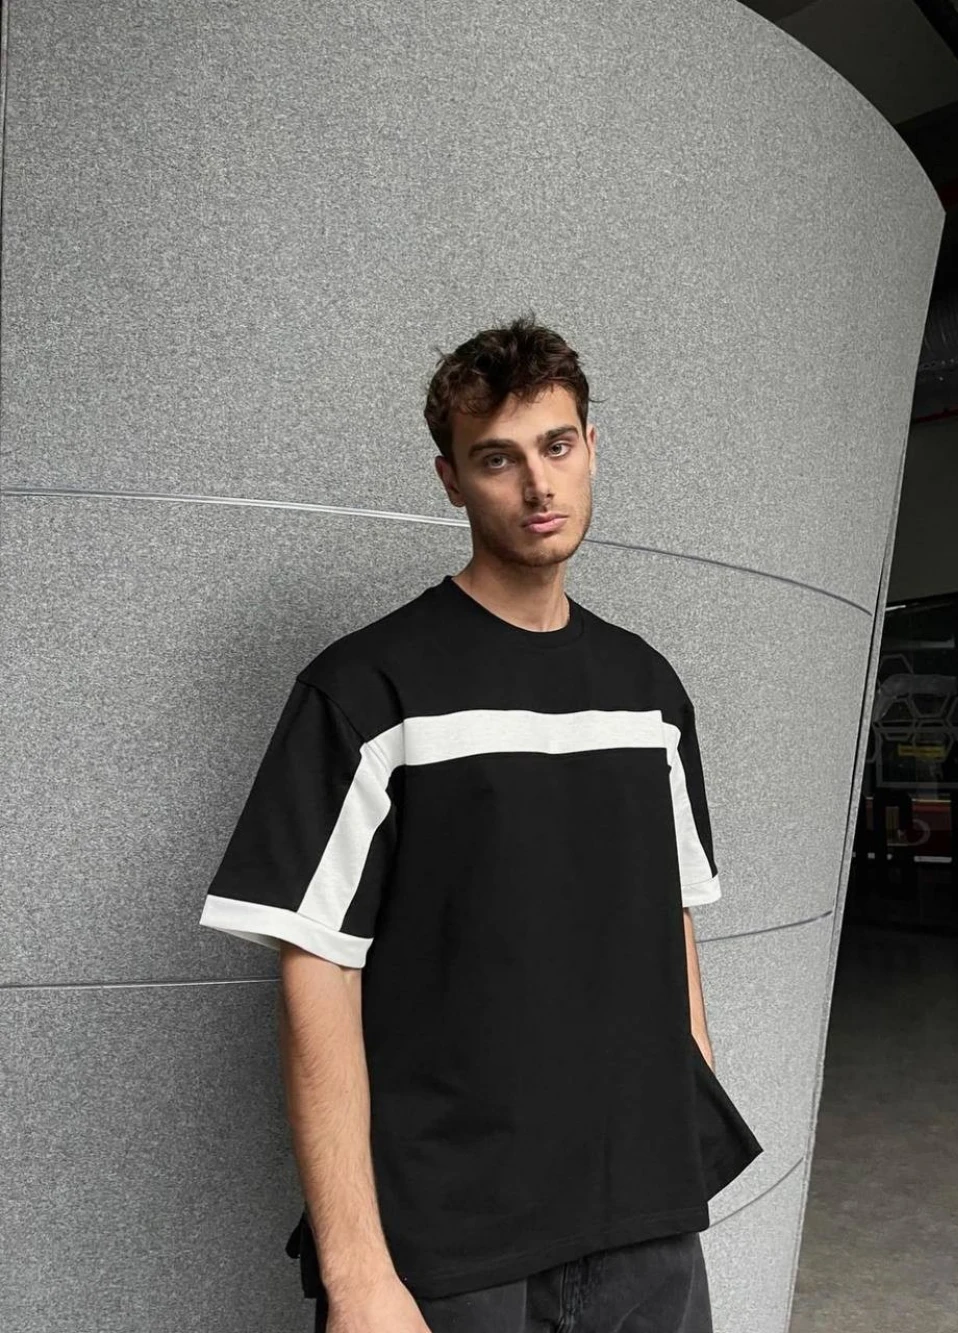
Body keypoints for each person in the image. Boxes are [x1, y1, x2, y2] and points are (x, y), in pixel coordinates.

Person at [198, 312, 763, 1332]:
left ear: (593, 447)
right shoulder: (368, 690)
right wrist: (358, 1276)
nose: (539, 485)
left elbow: (671, 920)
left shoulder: (649, 690)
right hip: (455, 1253)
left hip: (648, 1231)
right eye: (498, 458)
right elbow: (315, 972)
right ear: (451, 479)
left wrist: (684, 1142)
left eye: (557, 446)